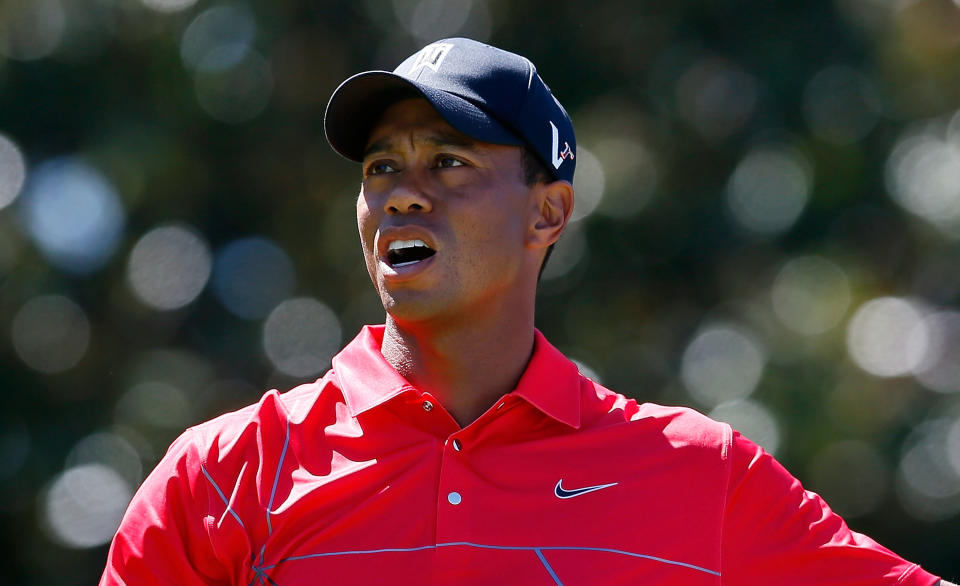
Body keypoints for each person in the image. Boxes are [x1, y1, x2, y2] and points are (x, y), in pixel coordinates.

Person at [101, 37, 953, 585]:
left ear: (547, 213)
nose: (403, 194)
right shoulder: (222, 474)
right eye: (380, 168)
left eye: (449, 162)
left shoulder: (699, 473)